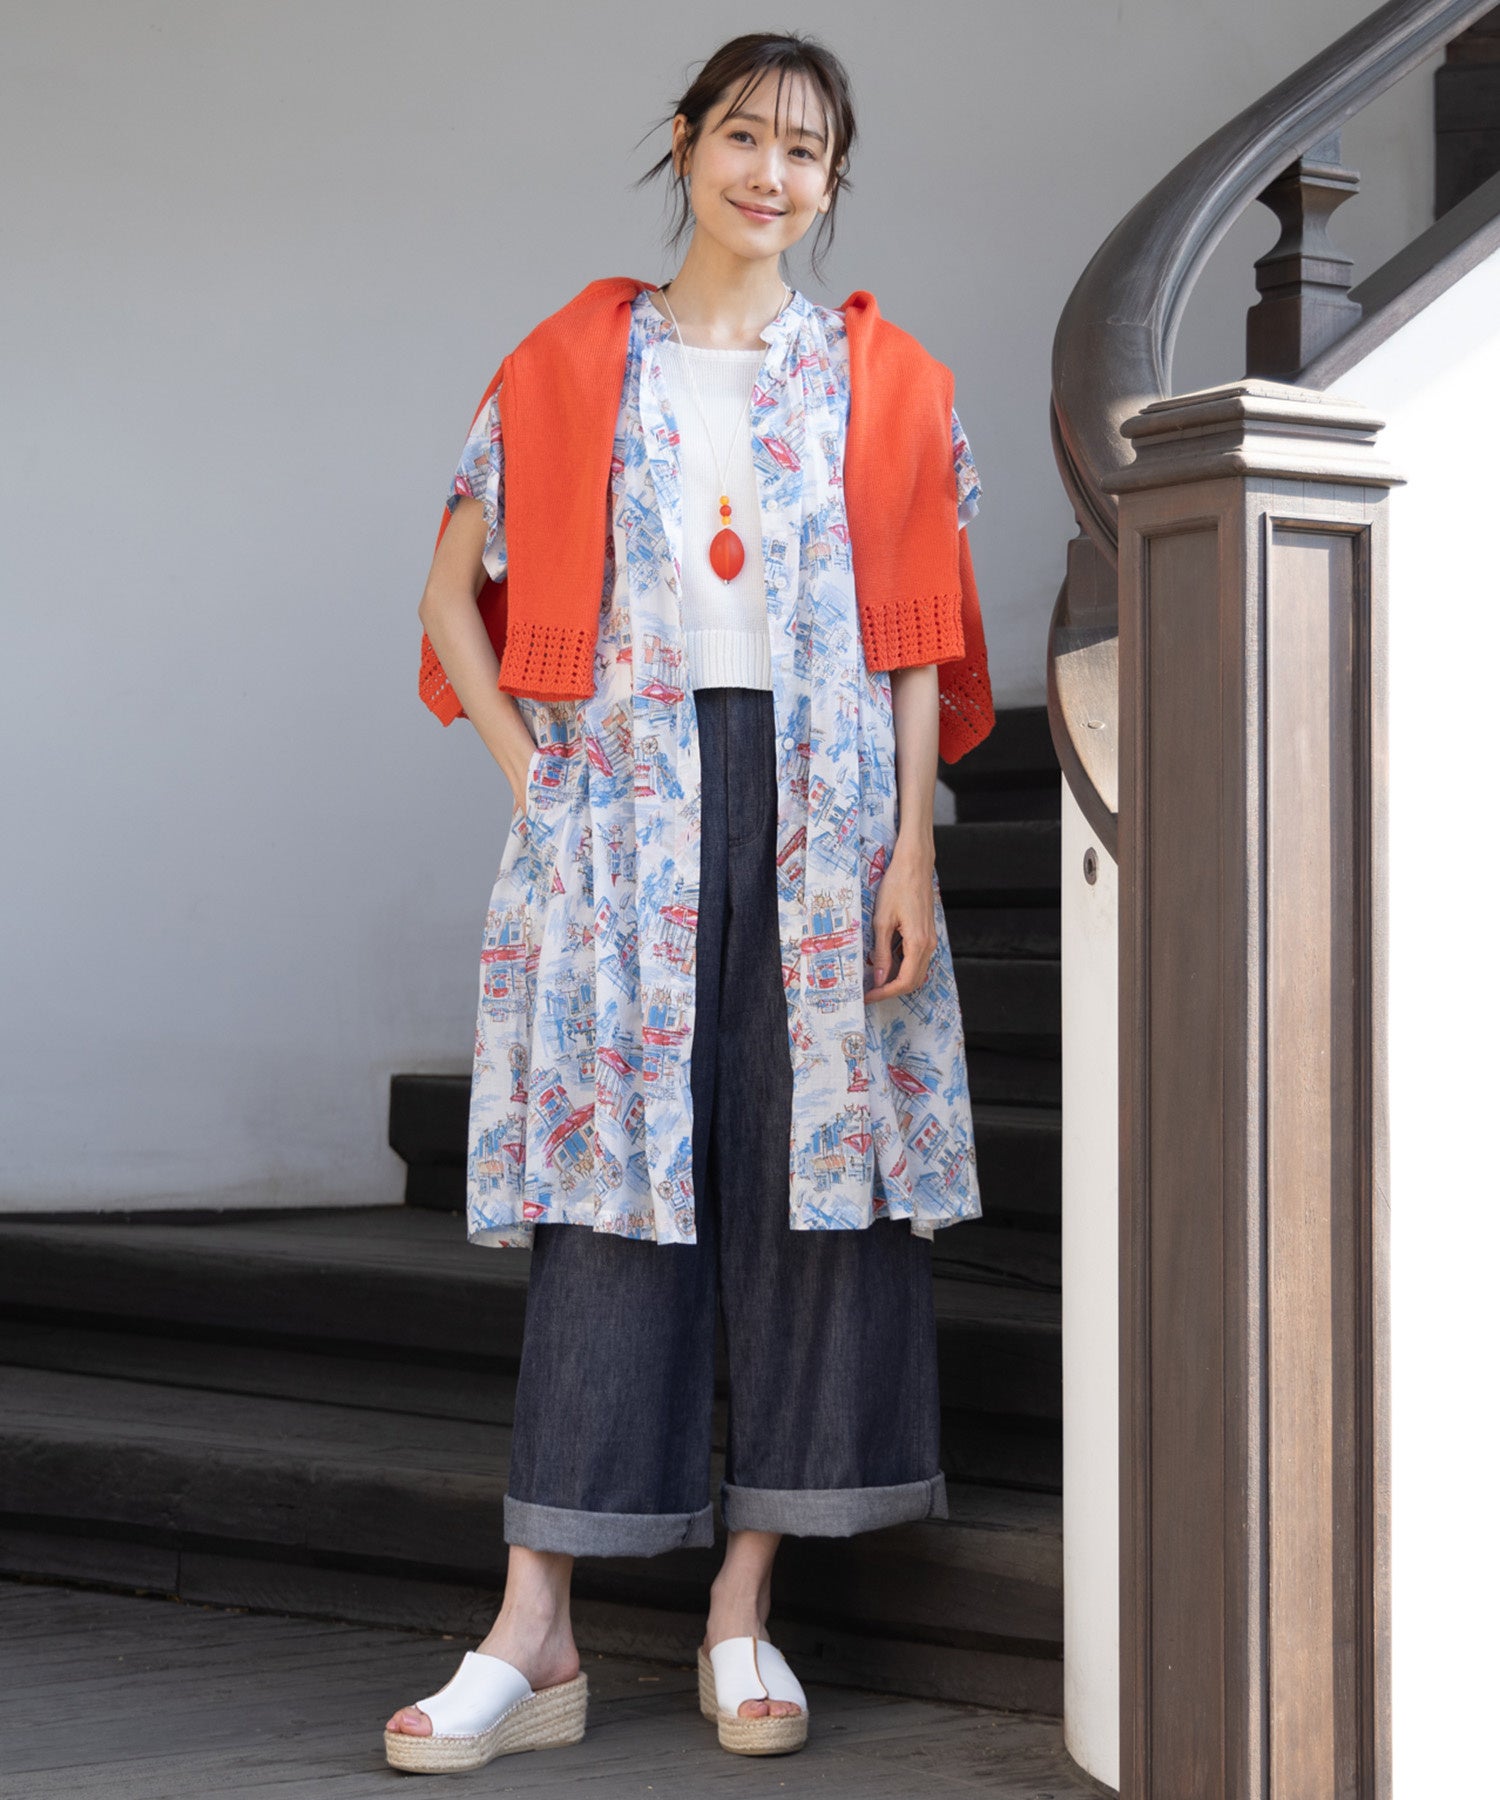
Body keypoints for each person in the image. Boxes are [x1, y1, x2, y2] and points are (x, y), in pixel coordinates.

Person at [385, 28, 992, 1774]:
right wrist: (539, 780)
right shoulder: (572, 359)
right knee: (610, 1194)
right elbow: (448, 597)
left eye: (805, 150)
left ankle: (742, 1610)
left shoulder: (888, 379)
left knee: (819, 1200)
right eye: (743, 135)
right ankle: (535, 1631)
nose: (770, 174)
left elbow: (915, 640)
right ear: (685, 141)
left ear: (831, 179)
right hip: (626, 816)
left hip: (831, 817)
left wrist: (912, 851)